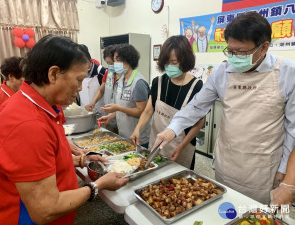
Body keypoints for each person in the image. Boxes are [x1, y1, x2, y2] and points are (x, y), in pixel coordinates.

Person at [152, 12, 295, 204]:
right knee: (226, 210)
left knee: (258, 215)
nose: (234, 57)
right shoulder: (222, 72)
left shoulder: (287, 73)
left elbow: (293, 129)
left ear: (264, 48)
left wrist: (287, 180)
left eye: (241, 52)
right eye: (230, 51)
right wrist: (172, 129)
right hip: (227, 163)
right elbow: (196, 107)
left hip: (263, 169)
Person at [0, 35, 129, 225]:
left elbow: (43, 161)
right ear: (54, 74)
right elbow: (46, 210)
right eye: (79, 80)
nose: (80, 88)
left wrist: (81, 159)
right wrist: (98, 185)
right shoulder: (28, 125)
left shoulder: (40, 106)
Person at [130, 35, 204, 169]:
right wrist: (137, 129)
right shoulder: (158, 82)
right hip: (157, 143)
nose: (170, 67)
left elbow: (199, 123)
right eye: (166, 63)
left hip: (181, 146)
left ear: (185, 60)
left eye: (174, 63)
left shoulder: (197, 86)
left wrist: (181, 146)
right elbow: (148, 111)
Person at [98, 44, 151, 148]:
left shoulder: (138, 82)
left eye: (117, 60)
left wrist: (117, 108)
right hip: (125, 134)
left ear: (128, 60)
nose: (114, 63)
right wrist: (111, 116)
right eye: (114, 60)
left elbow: (141, 111)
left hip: (138, 137)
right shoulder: (121, 80)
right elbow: (123, 106)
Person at [85, 44, 119, 132]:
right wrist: (93, 102)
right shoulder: (109, 73)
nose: (110, 65)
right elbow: (101, 90)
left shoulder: (125, 76)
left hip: (122, 117)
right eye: (108, 63)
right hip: (110, 116)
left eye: (111, 63)